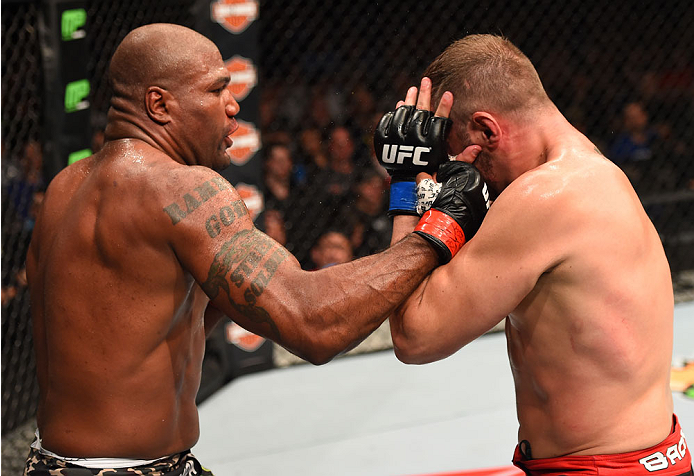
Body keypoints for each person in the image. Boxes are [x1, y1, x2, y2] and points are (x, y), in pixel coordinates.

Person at [23, 23, 486, 475]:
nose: (233, 105)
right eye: (214, 90)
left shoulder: (65, 189)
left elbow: (155, 331)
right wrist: (442, 228)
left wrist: (406, 185)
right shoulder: (179, 189)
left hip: (52, 463)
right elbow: (313, 324)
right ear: (159, 104)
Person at [380, 34, 691, 475]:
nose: (463, 170)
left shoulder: (545, 197)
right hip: (642, 457)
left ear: (488, 130)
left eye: (463, 153)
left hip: (605, 467)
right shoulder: (591, 170)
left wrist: (409, 184)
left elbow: (415, 336)